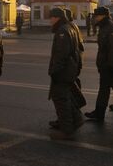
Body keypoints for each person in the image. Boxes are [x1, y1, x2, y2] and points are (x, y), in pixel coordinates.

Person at [48, 8, 84, 140]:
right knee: (67, 97)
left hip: (63, 71)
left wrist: (55, 71)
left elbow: (61, 55)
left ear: (57, 18)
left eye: (51, 17)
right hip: (70, 69)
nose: (49, 20)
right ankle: (77, 120)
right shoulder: (69, 28)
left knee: (61, 99)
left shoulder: (62, 31)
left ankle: (66, 130)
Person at [64, 8, 86, 109]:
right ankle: (76, 104)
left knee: (70, 85)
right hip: (77, 59)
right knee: (73, 82)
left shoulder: (68, 27)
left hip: (73, 61)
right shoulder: (74, 25)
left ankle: (77, 103)